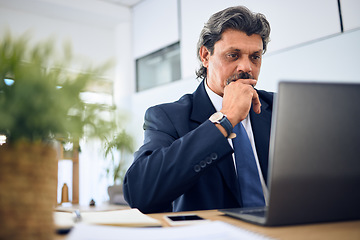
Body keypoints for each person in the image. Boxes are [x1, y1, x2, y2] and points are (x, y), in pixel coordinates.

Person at [123, 5, 273, 213]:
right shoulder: (167, 117)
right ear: (205, 55)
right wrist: (225, 118)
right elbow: (139, 193)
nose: (246, 67)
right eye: (233, 55)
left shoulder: (279, 107)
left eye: (255, 57)